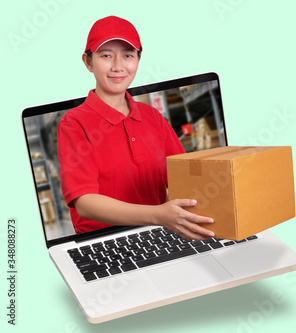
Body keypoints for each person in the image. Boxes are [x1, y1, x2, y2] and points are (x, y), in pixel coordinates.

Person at [57, 16, 214, 240]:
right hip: (103, 241)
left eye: (128, 55)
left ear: (138, 60)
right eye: (106, 55)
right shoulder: (74, 123)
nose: (118, 66)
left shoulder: (152, 117)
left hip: (160, 233)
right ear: (88, 62)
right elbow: (85, 203)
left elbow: (184, 176)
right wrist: (159, 214)